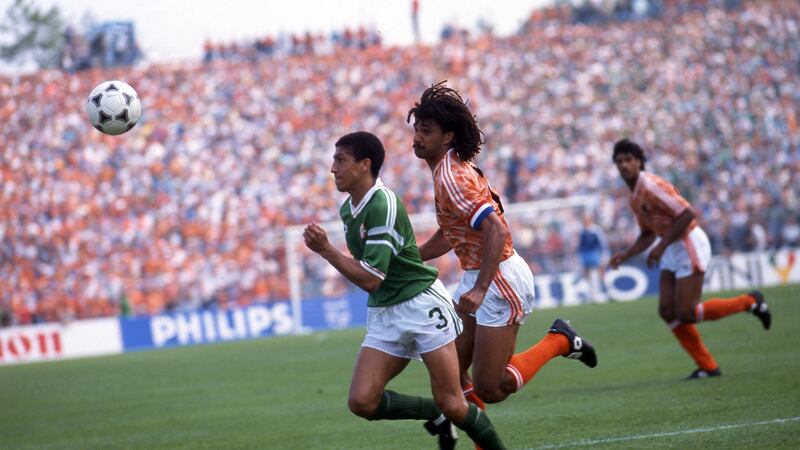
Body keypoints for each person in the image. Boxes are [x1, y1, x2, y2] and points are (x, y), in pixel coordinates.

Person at [303, 131, 506, 450]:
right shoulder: (349, 211)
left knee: (454, 403)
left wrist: (327, 250)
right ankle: (434, 415)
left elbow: (371, 278)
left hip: (420, 306)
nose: (333, 168)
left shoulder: (383, 204)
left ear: (363, 165)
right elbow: (370, 274)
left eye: (340, 160)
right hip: (385, 311)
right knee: (362, 401)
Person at [406, 81, 597, 414]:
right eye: (417, 130)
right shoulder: (445, 172)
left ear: (447, 136)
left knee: (491, 388)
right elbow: (454, 231)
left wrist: (480, 289)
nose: (418, 137)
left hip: (498, 279)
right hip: (479, 275)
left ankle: (560, 341)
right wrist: (412, 257)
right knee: (449, 374)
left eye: (426, 131)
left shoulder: (452, 176)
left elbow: (494, 229)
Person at [608, 139, 772, 379]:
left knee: (686, 313)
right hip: (671, 246)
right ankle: (708, 366)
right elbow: (647, 233)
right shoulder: (635, 195)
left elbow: (687, 213)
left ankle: (750, 302)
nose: (624, 165)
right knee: (667, 310)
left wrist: (661, 246)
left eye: (628, 160)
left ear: (639, 162)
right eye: (619, 161)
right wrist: (626, 254)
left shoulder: (652, 185)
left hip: (687, 242)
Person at [577, 213, 610, 302]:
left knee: (600, 273)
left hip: (595, 253)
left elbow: (603, 243)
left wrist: (604, 254)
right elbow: (580, 245)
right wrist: (579, 256)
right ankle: (592, 294)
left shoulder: (596, 230)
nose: (585, 221)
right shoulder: (582, 231)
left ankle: (607, 292)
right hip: (585, 255)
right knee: (588, 275)